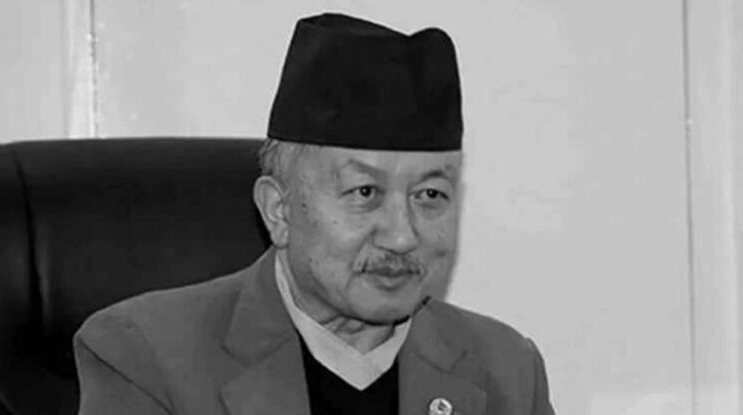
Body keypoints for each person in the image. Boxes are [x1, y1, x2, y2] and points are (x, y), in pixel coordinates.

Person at [74, 12, 555, 415]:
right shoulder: (147, 357)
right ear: (279, 210)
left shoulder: (506, 370)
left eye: (429, 195)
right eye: (365, 192)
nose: (402, 236)